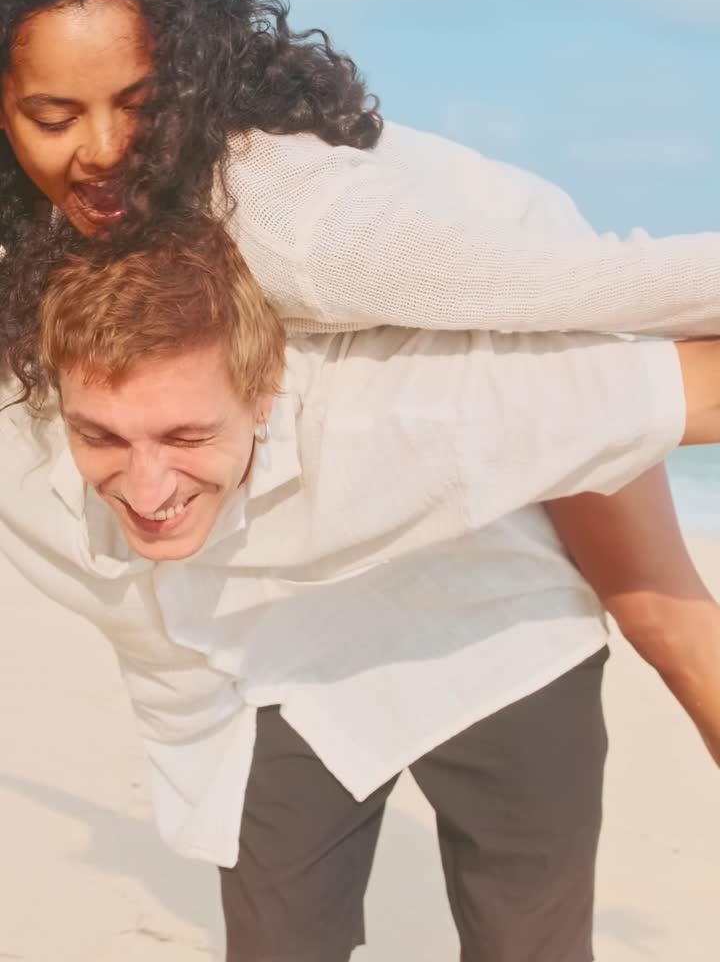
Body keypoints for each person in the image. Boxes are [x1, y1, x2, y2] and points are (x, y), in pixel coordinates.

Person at [0, 0, 717, 793]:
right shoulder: (54, 21)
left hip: (508, 263)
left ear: (177, 66)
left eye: (136, 102)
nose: (101, 150)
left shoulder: (295, 227)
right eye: (53, 117)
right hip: (424, 301)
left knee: (661, 610)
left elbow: (599, 284)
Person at [0, 215, 718, 961]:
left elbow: (684, 393)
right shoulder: (24, 436)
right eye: (104, 438)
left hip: (493, 635)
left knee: (532, 948)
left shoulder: (411, 412)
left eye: (186, 438)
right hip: (282, 671)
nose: (147, 490)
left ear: (265, 394)